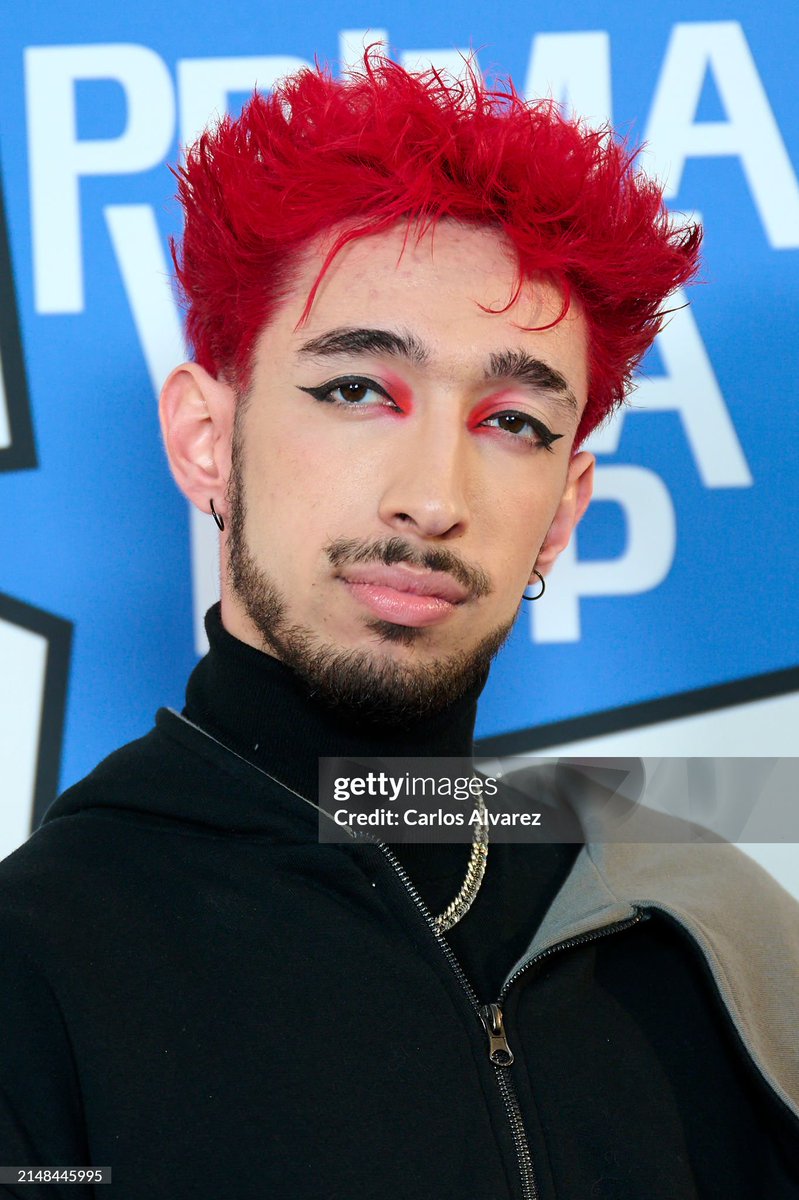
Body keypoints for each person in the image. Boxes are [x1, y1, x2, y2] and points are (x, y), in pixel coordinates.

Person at [1, 54, 797, 1200]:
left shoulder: (707, 927)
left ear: (564, 512)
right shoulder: (37, 967)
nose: (433, 496)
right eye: (357, 391)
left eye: (513, 420)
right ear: (205, 440)